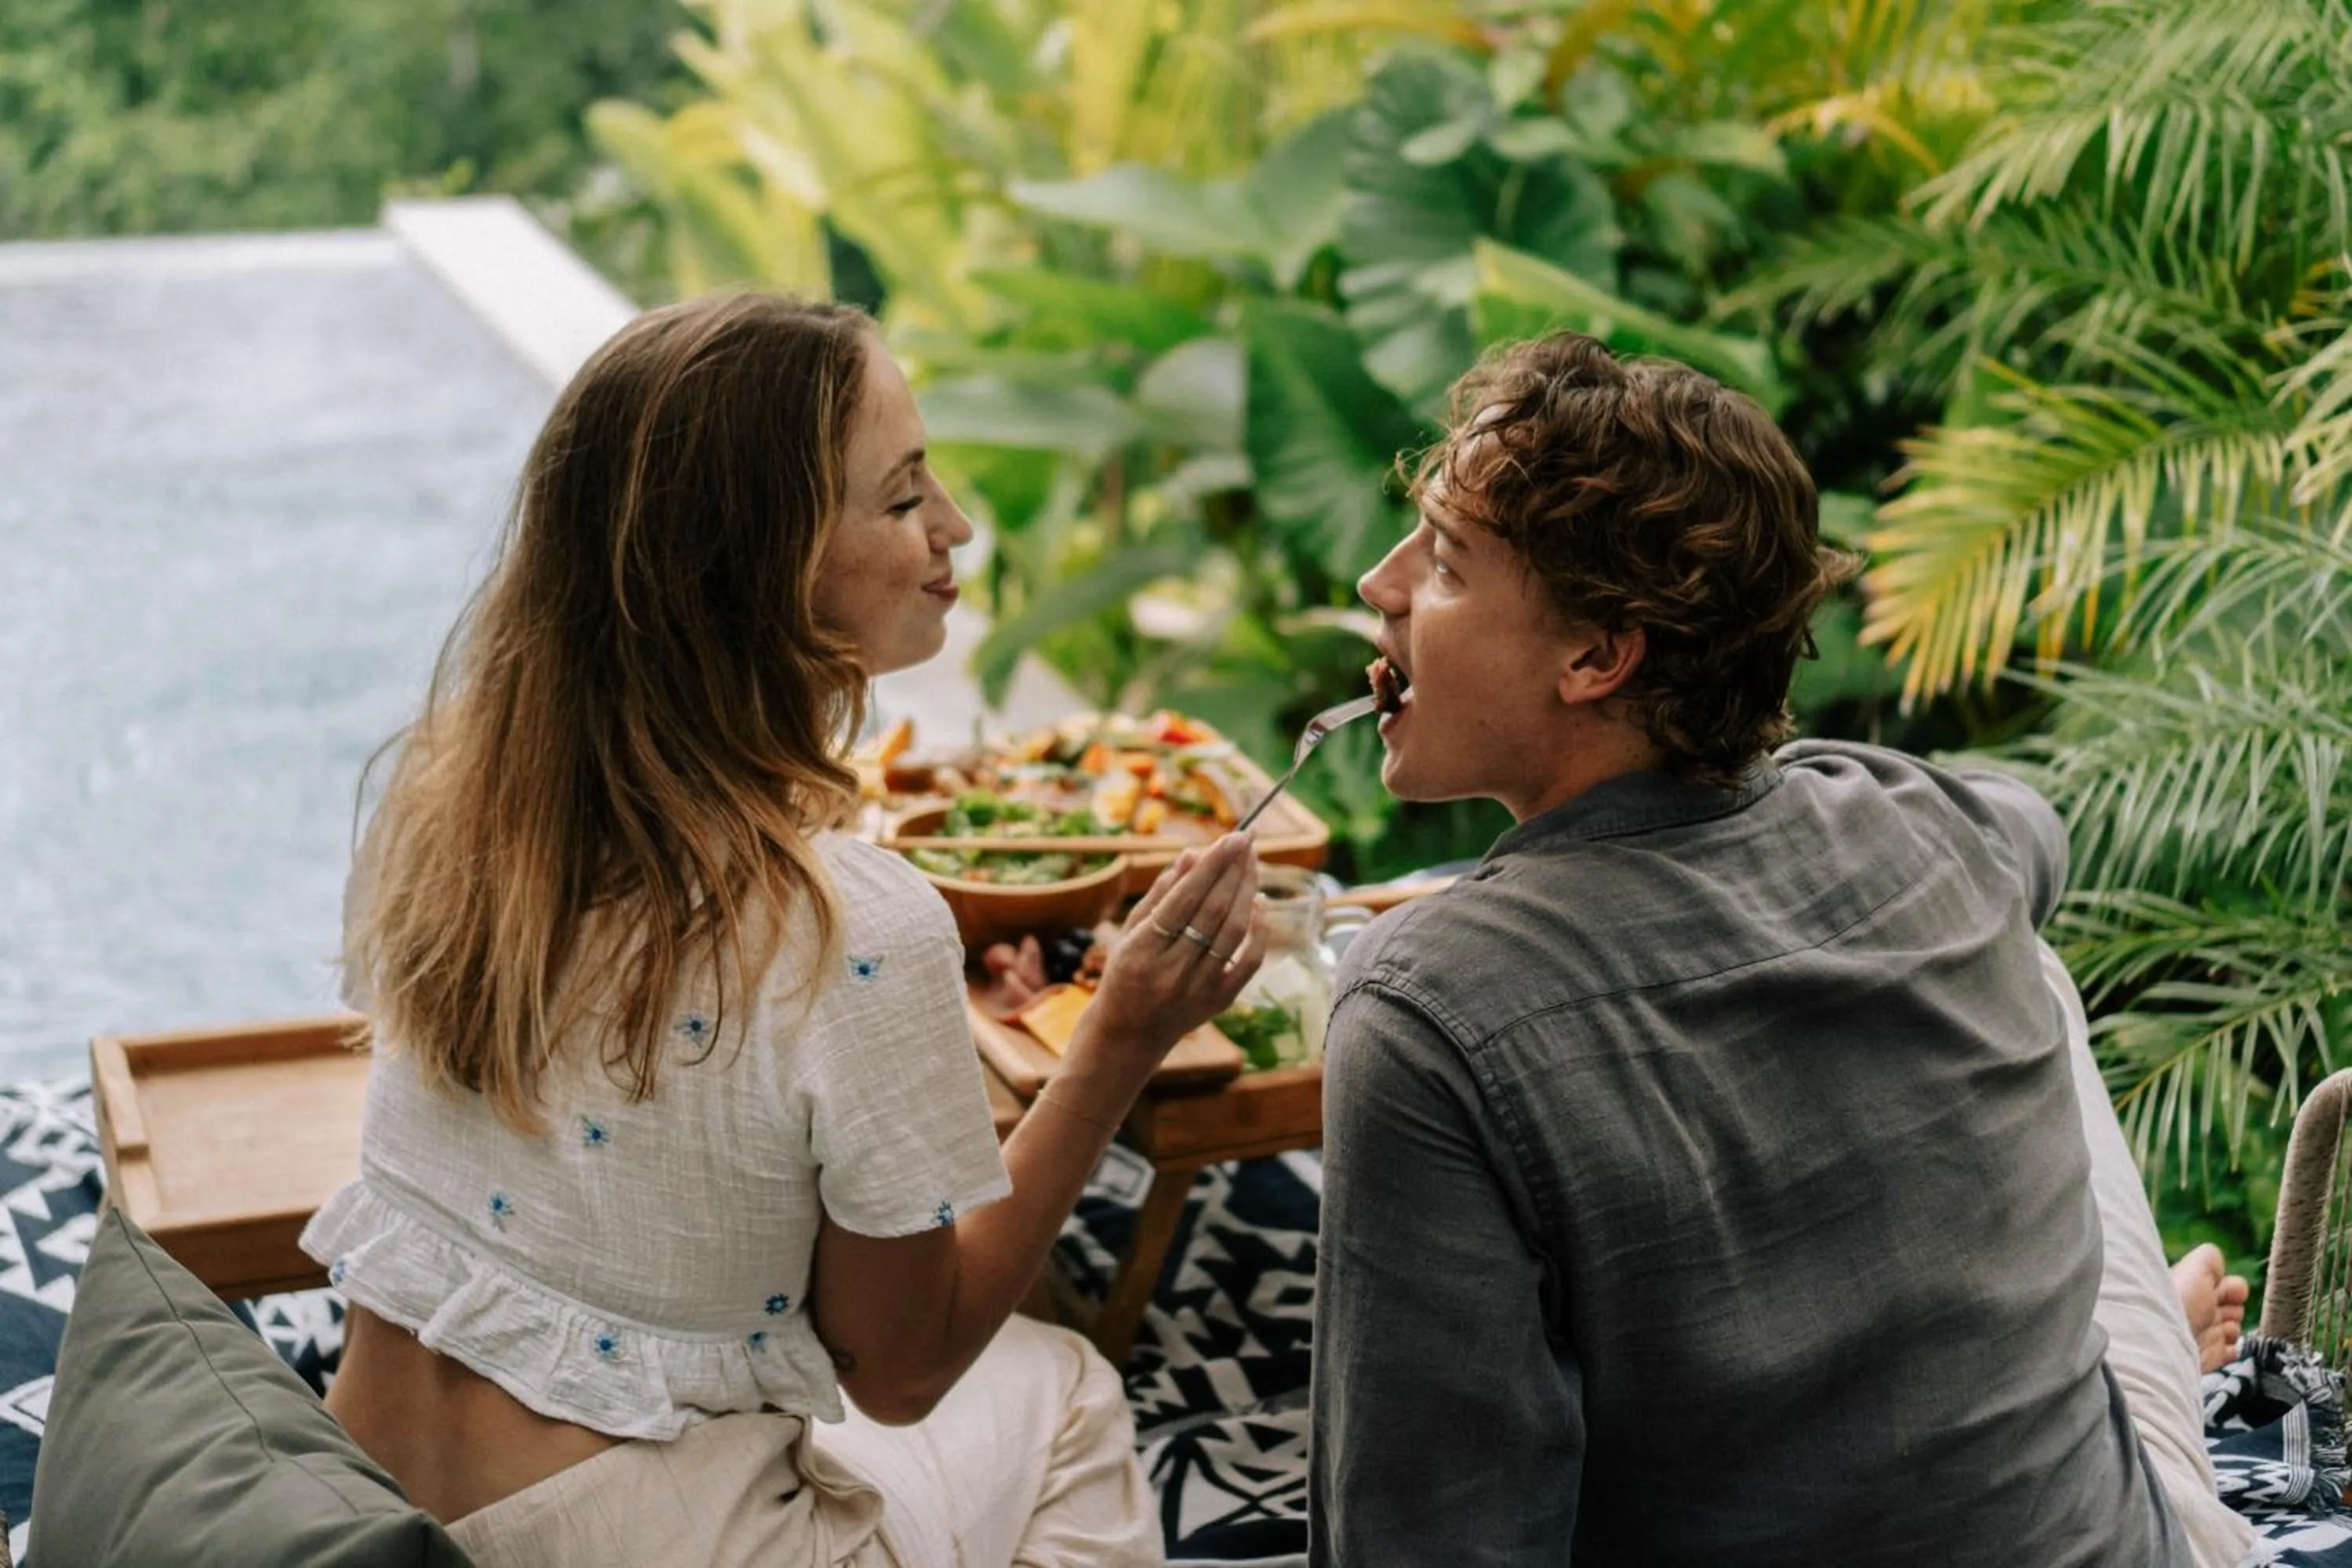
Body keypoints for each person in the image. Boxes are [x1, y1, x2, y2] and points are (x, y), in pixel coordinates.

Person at [302, 292, 1267, 1567]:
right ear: (760, 567)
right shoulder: (851, 929)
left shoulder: (452, 798)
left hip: (371, 1512)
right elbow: (904, 1371)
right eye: (902, 494)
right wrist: (1119, 1040)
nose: (955, 528)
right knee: (1066, 1386)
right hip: (647, 1544)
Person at [1308, 331, 2198, 1565]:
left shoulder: (1420, 1011)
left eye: (1446, 564)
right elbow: (2026, 824)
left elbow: (1427, 1540)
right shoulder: (1929, 824)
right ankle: (2109, 1340)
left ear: (1598, 656)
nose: (1378, 583)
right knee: (2024, 962)